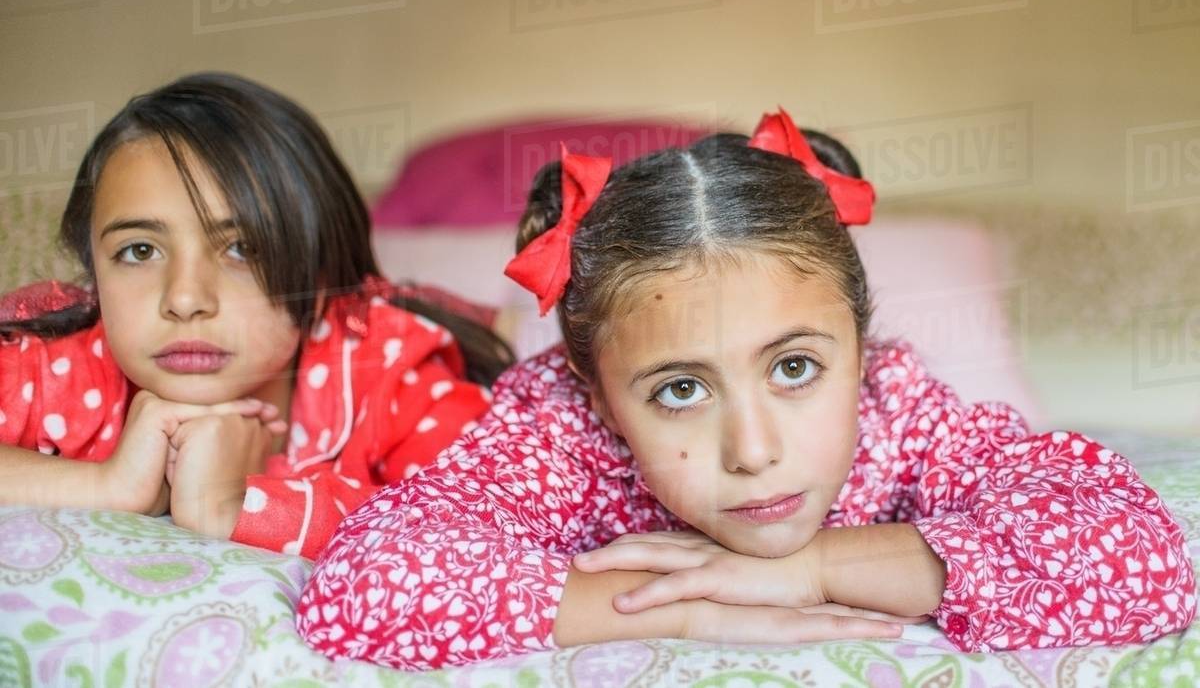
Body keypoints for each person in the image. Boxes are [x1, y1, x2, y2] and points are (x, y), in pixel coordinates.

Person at [297, 109, 1195, 668]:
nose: (756, 449)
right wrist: (691, 607)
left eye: (797, 367)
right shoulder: (558, 430)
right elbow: (365, 586)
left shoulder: (899, 409)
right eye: (681, 389)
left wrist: (806, 572)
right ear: (599, 394)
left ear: (861, 345)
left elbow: (1139, 562)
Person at [0, 72, 513, 559]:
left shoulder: (387, 370)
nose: (184, 299)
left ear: (318, 280)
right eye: (139, 251)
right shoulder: (61, 366)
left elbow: (483, 530)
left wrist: (233, 505)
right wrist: (105, 485)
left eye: (242, 249)